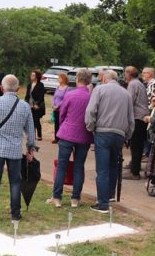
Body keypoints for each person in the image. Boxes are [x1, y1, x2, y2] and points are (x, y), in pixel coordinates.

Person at [0, 75, 36, 222]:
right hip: (15, 150)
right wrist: (31, 148)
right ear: (18, 89)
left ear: (1, 88)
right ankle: (15, 214)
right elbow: (31, 130)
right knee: (15, 182)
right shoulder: (24, 106)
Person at [84, 69, 134, 213]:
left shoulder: (99, 89)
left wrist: (91, 127)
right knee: (113, 166)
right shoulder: (126, 94)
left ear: (105, 79)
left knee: (102, 169)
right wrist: (127, 136)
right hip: (119, 134)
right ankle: (110, 195)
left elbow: (90, 111)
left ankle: (103, 203)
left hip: (103, 132)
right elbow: (131, 119)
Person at [47, 69, 92, 208]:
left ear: (77, 79)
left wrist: (63, 126)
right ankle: (75, 199)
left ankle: (57, 197)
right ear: (89, 81)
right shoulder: (91, 97)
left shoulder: (70, 95)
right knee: (79, 166)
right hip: (84, 134)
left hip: (67, 132)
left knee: (62, 165)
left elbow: (62, 113)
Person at [124, 66, 148, 181]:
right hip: (142, 117)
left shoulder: (133, 84)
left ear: (129, 74)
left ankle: (135, 172)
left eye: (125, 73)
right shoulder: (139, 83)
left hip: (137, 118)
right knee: (137, 145)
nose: (124, 75)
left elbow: (129, 101)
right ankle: (134, 168)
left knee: (135, 145)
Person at [25, 69, 46, 141]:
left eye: (33, 75)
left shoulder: (41, 85)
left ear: (37, 76)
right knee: (30, 121)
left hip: (37, 106)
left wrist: (37, 104)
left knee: (36, 120)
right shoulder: (29, 85)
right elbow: (27, 96)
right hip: (30, 105)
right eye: (31, 75)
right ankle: (32, 135)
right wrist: (25, 103)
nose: (31, 76)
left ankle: (39, 136)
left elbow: (41, 96)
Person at [51, 72, 70, 144]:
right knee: (56, 123)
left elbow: (64, 99)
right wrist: (53, 105)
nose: (58, 79)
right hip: (55, 109)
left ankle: (62, 138)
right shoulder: (58, 87)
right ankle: (56, 138)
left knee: (61, 123)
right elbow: (54, 97)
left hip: (61, 109)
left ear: (63, 79)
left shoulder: (67, 88)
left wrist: (57, 106)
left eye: (59, 78)